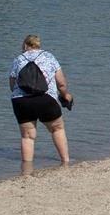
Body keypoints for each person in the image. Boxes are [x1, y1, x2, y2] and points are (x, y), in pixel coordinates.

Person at [9, 34, 72, 167]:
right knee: (57, 129)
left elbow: (12, 85)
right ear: (38, 45)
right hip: (46, 99)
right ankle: (65, 162)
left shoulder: (18, 60)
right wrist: (66, 95)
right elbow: (61, 84)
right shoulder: (49, 56)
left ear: (25, 45)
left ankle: (26, 170)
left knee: (27, 136)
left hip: (21, 101)